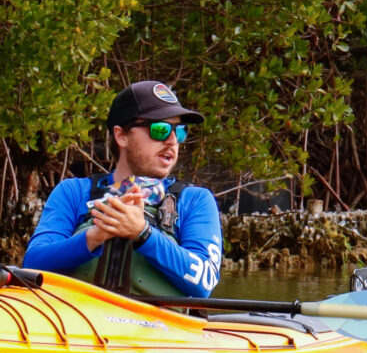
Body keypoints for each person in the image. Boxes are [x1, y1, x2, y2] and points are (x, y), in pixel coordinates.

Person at [25, 81, 224, 299]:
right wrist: (93, 237)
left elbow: (204, 283)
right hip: (79, 321)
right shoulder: (73, 192)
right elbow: (33, 263)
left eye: (180, 132)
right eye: (160, 130)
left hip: (155, 328)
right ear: (121, 136)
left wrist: (143, 234)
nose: (172, 141)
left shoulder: (195, 200)